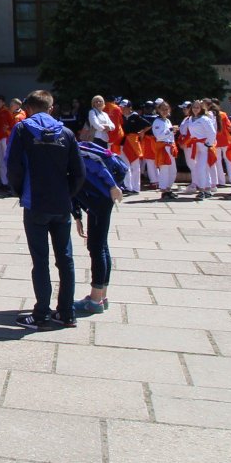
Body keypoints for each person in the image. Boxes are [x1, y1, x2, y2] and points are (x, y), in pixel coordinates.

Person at [5, 90, 81, 330]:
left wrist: (19, 191)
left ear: (28, 108)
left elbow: (13, 166)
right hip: (61, 204)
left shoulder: (22, 130)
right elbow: (79, 172)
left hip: (35, 202)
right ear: (51, 108)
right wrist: (67, 195)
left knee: (40, 260)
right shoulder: (66, 133)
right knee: (65, 258)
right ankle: (67, 313)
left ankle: (41, 314)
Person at [71, 122, 126, 317]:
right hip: (96, 200)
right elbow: (72, 188)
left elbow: (97, 164)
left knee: (96, 247)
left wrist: (113, 187)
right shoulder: (65, 153)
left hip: (101, 199)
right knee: (101, 246)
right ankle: (101, 295)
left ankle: (95, 299)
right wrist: (77, 216)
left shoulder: (74, 151)